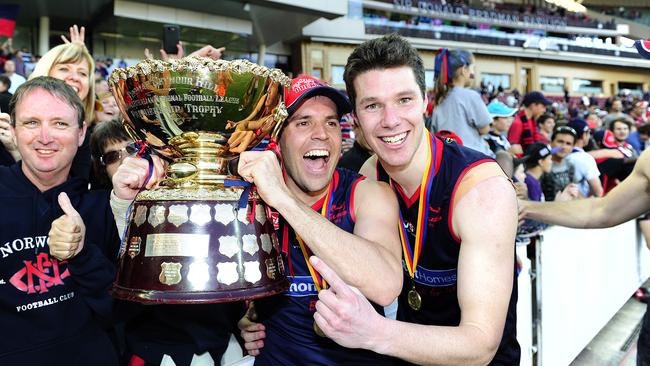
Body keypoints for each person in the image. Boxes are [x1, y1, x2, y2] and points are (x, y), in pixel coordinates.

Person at [301, 33, 519, 365]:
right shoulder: (370, 174)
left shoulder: (480, 190)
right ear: (356, 119)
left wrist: (373, 332)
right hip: (406, 355)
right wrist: (255, 320)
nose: (391, 120)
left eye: (404, 100)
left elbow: (480, 344)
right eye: (373, 105)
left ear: (425, 101)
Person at [237, 74, 402, 364]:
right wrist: (240, 321)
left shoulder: (368, 193)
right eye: (303, 122)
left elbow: (385, 285)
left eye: (331, 122)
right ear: (277, 138)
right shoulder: (253, 200)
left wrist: (283, 200)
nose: (322, 133)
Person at [0, 76, 120, 365]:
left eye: (60, 123)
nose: (45, 136)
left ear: (81, 133)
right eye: (31, 123)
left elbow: (121, 311)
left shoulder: (104, 206)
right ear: (13, 131)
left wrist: (82, 254)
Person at [430, 48, 493, 157]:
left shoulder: (439, 99)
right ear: (464, 70)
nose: (473, 73)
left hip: (448, 159)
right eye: (473, 68)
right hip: (473, 159)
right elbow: (485, 128)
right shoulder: (471, 96)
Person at [565, 118, 603, 197]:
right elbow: (598, 191)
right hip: (578, 204)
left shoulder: (557, 154)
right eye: (589, 132)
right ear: (584, 135)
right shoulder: (584, 158)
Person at [508, 91, 552, 156]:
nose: (544, 110)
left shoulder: (531, 121)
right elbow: (512, 150)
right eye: (543, 106)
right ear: (533, 105)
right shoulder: (518, 123)